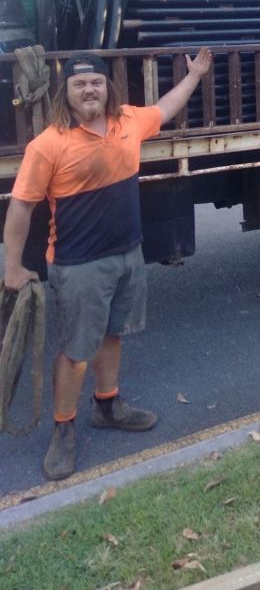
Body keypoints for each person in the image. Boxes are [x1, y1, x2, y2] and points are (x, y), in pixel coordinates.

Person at [2, 47, 213, 480]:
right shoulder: (49, 145)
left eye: (95, 82)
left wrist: (193, 76)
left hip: (126, 254)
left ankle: (108, 404)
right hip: (78, 264)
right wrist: (12, 267)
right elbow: (21, 208)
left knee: (114, 334)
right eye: (79, 84)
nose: (89, 89)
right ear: (67, 92)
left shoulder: (128, 122)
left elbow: (165, 107)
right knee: (77, 351)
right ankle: (63, 430)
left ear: (107, 87)